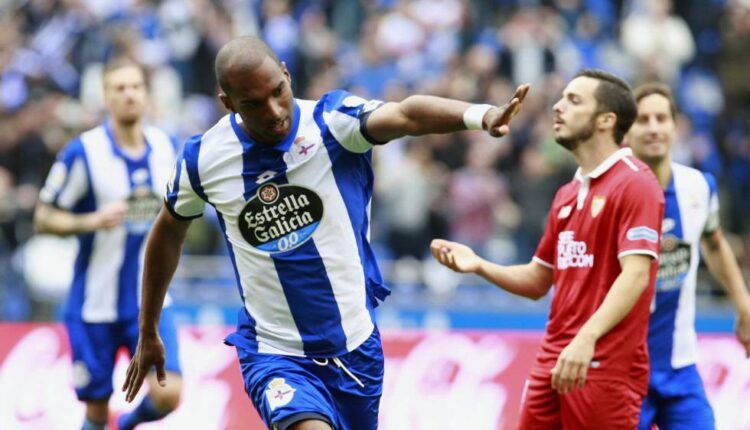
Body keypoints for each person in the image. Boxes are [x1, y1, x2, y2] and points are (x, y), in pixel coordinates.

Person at [121, 36, 529, 430]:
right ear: (227, 103)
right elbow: (169, 230)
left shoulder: (331, 122)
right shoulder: (204, 159)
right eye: (253, 104)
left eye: (277, 91)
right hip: (274, 351)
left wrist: (481, 116)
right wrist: (149, 326)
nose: (274, 110)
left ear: (286, 74)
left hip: (355, 343)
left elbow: (406, 115)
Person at [431, 69, 665, 429]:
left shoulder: (635, 183)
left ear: (606, 120)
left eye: (573, 100)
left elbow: (636, 277)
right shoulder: (567, 194)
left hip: (602, 365)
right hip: (553, 361)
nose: (558, 107)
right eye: (561, 98)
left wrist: (586, 338)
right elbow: (539, 279)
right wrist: (478, 265)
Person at [34, 58, 182, 430]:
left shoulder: (166, 146)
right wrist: (92, 221)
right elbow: (43, 217)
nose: (129, 94)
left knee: (169, 393)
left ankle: (128, 424)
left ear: (146, 93)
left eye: (135, 86)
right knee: (96, 410)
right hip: (95, 304)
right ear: (106, 97)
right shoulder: (83, 153)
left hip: (151, 302)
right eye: (120, 88)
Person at [627, 83, 750, 430]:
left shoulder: (698, 186)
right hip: (622, 371)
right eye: (643, 119)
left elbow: (713, 241)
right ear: (626, 130)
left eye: (661, 118)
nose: (653, 128)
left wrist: (743, 304)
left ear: (676, 126)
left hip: (681, 367)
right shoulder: (611, 189)